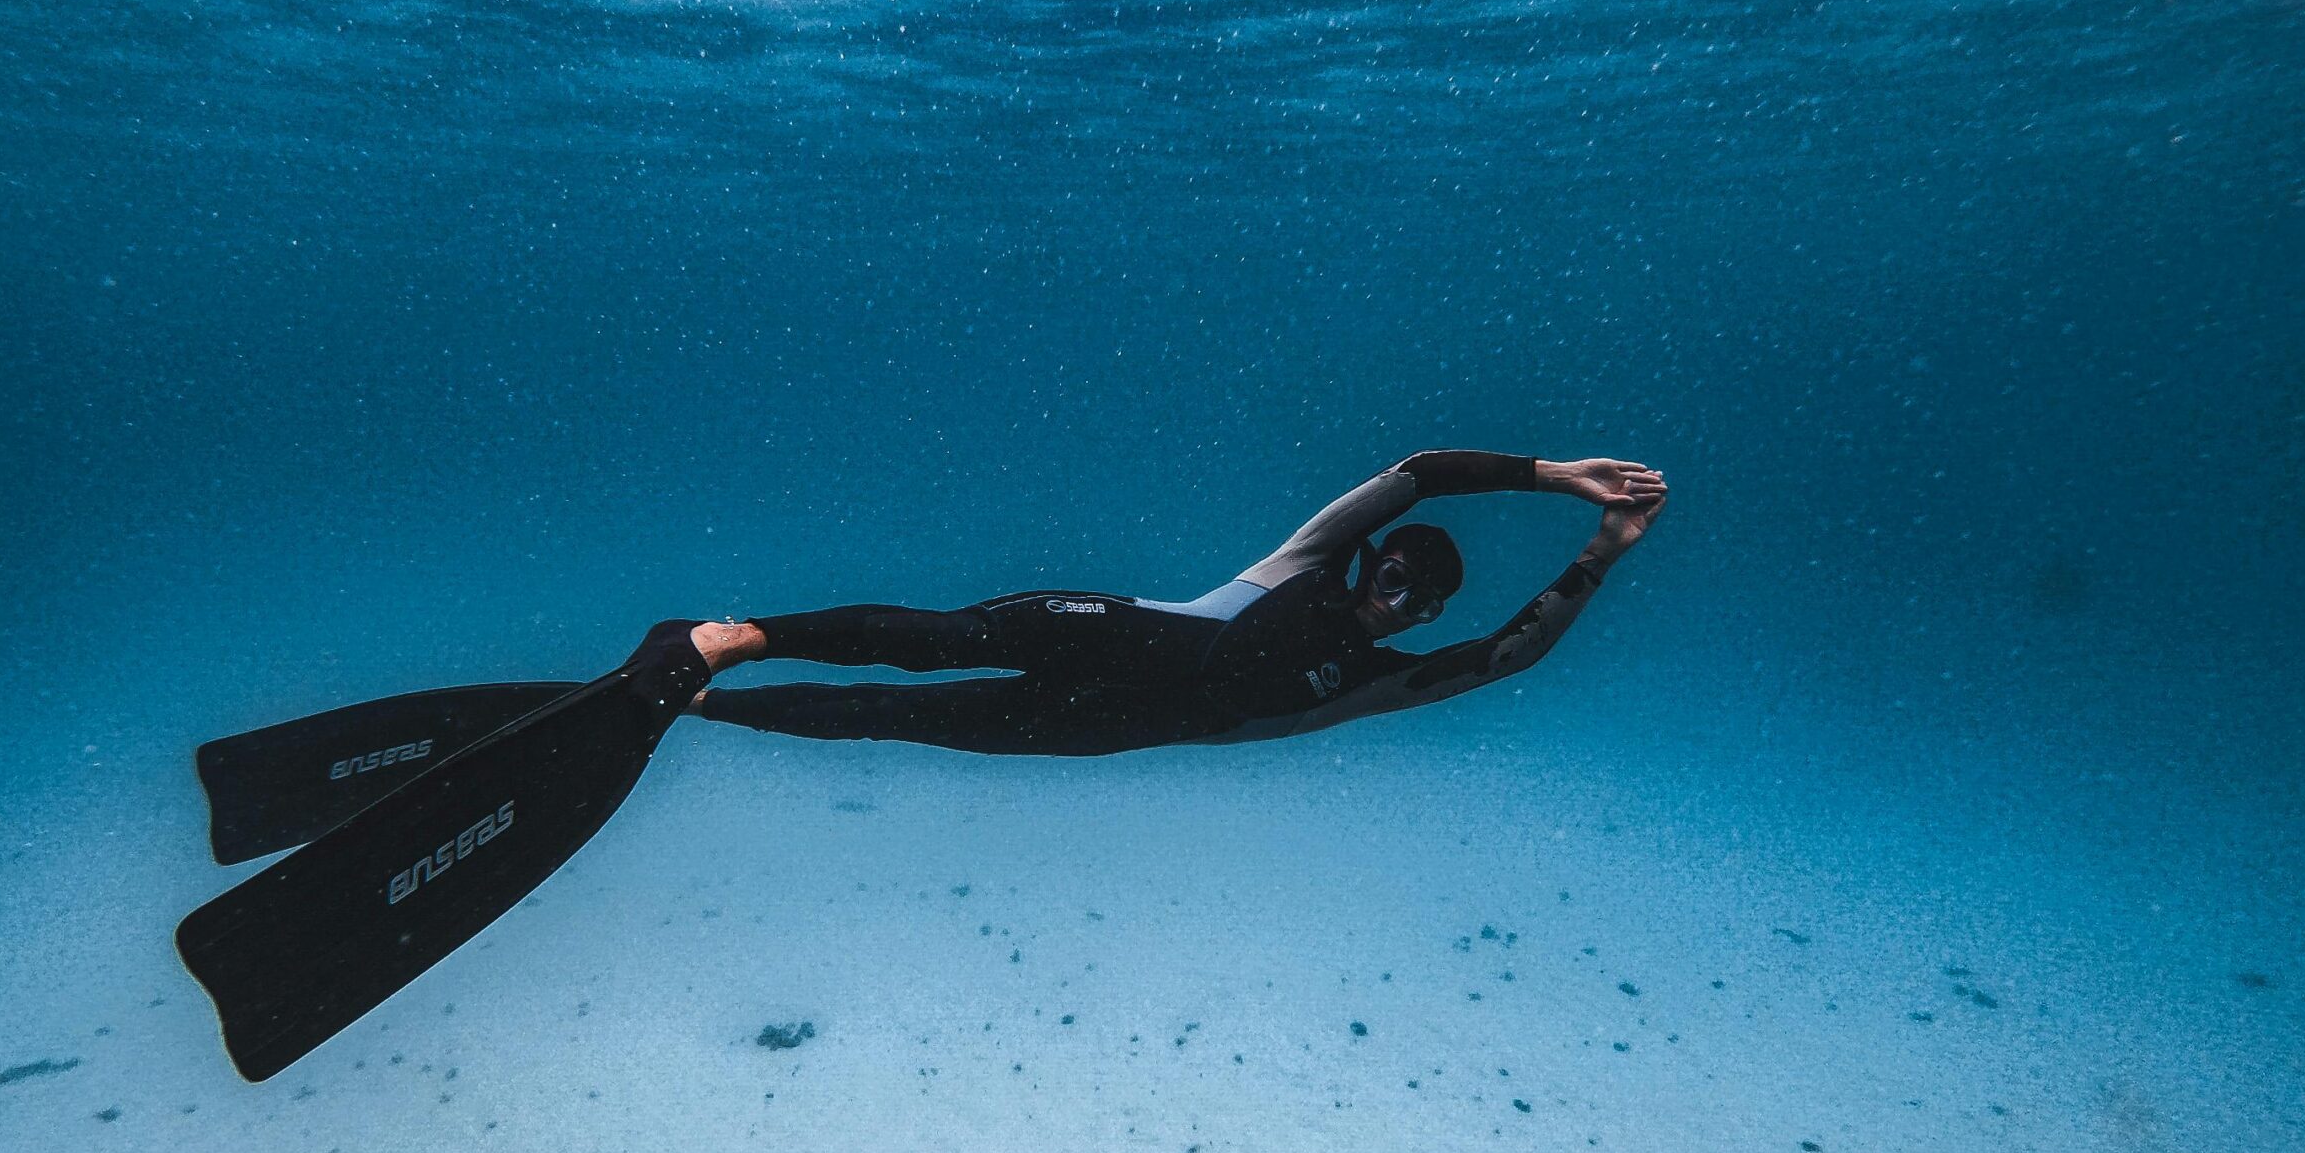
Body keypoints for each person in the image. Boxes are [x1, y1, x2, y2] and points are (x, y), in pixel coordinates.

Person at [682, 451, 1665, 755]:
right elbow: (1419, 473)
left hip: (1096, 724)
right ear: (1373, 564)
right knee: (944, 639)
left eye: (1425, 599)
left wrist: (1602, 552)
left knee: (895, 717)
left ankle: (699, 705)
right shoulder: (1305, 564)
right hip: (1105, 630)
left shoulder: (1384, 682)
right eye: (1396, 571)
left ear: (1430, 617)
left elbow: (1511, 655)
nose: (1400, 598)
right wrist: (1556, 476)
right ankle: (742, 639)